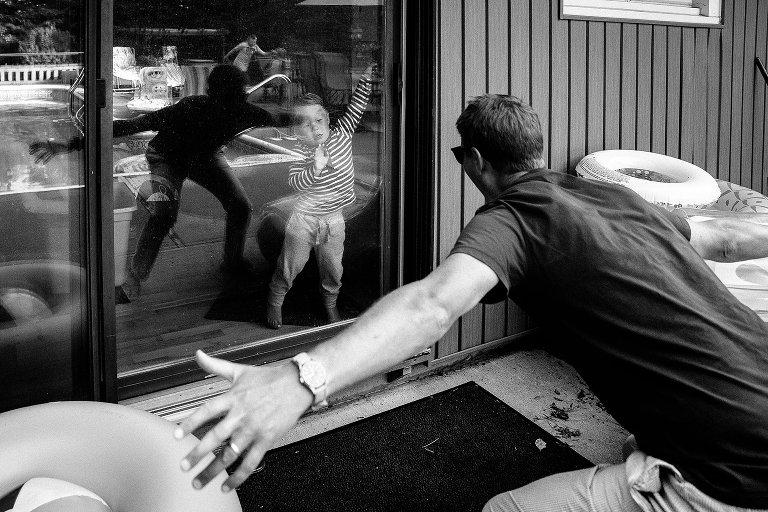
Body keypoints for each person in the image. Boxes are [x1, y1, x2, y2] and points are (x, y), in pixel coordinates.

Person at [173, 94, 768, 512]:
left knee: (503, 509)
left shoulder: (511, 221)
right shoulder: (616, 199)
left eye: (463, 156)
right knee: (636, 444)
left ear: (475, 161)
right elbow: (723, 235)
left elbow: (432, 306)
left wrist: (299, 378)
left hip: (733, 475)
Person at [30, 64, 276, 298]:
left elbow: (282, 118)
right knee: (164, 215)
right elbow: (131, 126)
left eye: (237, 97)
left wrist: (310, 116)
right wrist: (69, 145)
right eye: (229, 97)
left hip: (206, 158)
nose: (233, 104)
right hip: (167, 158)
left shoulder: (246, 112)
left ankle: (232, 263)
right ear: (212, 94)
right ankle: (135, 277)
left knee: (240, 206)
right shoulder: (189, 107)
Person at [265, 70, 372, 329]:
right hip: (304, 220)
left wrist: (367, 77)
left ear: (327, 120)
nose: (314, 128)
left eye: (319, 120)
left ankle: (330, 303)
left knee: (333, 269)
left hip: (334, 220)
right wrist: (315, 167)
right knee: (290, 266)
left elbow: (357, 105)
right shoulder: (301, 152)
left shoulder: (343, 135)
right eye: (305, 124)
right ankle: (275, 300)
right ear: (298, 131)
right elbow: (295, 183)